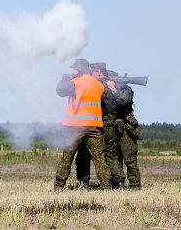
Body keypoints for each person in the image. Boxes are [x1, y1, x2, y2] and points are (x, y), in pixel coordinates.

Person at [54, 58, 111, 191]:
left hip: (76, 125)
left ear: (78, 70)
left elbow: (59, 91)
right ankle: (107, 187)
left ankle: (59, 186)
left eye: (74, 69)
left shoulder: (74, 83)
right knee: (99, 158)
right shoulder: (98, 85)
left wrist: (66, 78)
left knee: (67, 157)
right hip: (94, 126)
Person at [75, 62, 125, 189]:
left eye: (93, 71)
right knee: (111, 154)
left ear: (98, 72)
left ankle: (84, 183)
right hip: (109, 124)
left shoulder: (96, 85)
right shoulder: (112, 86)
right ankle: (118, 183)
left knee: (85, 153)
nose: (91, 74)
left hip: (95, 123)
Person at [110, 70, 142, 189]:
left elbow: (124, 102)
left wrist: (114, 90)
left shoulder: (126, 90)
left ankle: (134, 184)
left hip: (126, 129)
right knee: (115, 158)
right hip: (112, 128)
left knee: (130, 159)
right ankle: (118, 183)